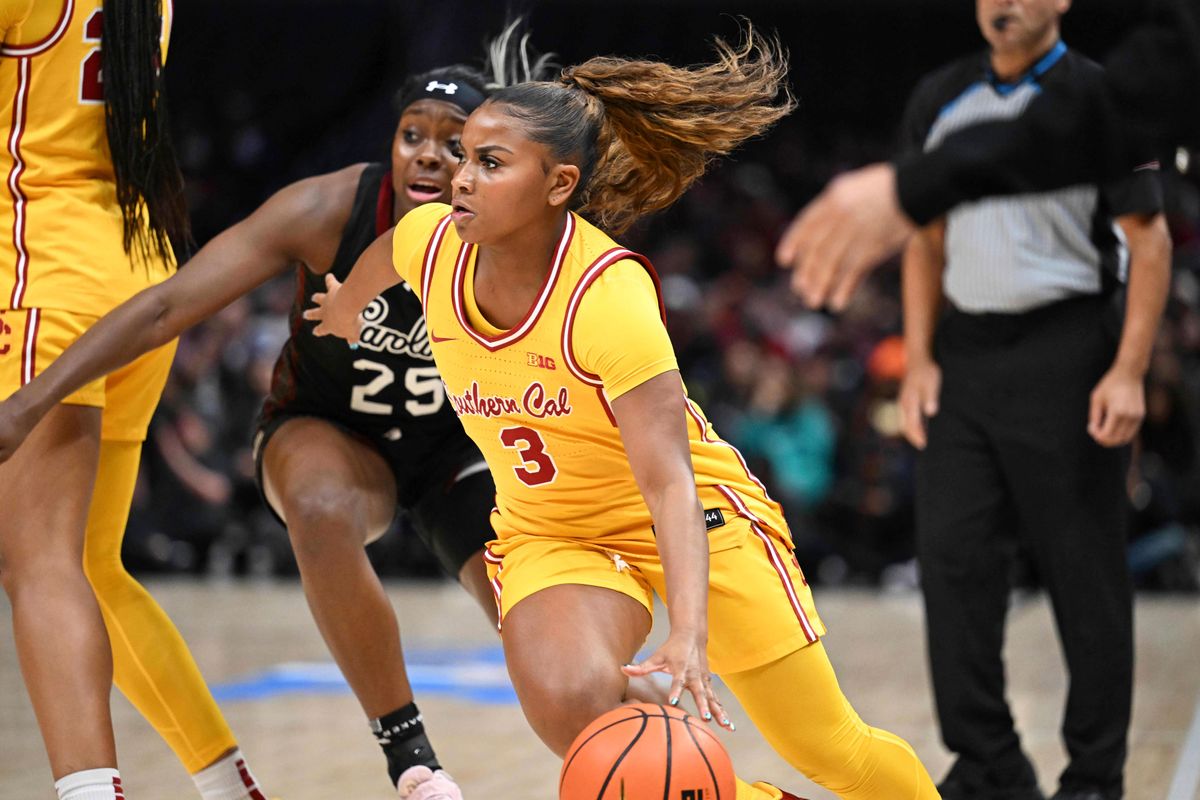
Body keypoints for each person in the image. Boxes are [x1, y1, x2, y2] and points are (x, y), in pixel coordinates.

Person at [0, 22, 661, 800]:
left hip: (455, 452)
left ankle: (628, 751)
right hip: (327, 429)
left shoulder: (536, 249)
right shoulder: (325, 209)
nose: (428, 154)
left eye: (456, 145)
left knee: (532, 622)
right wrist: (27, 403)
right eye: (413, 134)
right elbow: (167, 306)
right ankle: (408, 754)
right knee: (317, 503)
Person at [309, 25, 942, 800]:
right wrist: (346, 304)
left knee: (829, 748)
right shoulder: (430, 242)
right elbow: (384, 257)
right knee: (585, 722)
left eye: (490, 162)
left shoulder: (606, 299)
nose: (458, 178)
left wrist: (687, 633)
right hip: (555, 529)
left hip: (688, 517)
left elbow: (670, 482)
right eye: (465, 158)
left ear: (559, 184)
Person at [894, 2, 1172, 798]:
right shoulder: (939, 97)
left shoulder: (1103, 98)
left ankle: (1094, 774)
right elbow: (924, 237)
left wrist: (1127, 370)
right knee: (951, 565)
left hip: (1070, 348)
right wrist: (917, 357)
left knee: (1084, 572)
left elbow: (1148, 243)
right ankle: (989, 764)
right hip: (964, 354)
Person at [0, 1, 271, 798]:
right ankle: (231, 787)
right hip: (133, 273)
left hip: (42, 274)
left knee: (41, 567)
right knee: (91, 566)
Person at [776, 0, 1199, 311]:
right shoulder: (939, 95)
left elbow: (1148, 235)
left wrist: (911, 186)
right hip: (974, 346)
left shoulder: (1094, 88)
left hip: (1075, 331)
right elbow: (926, 248)